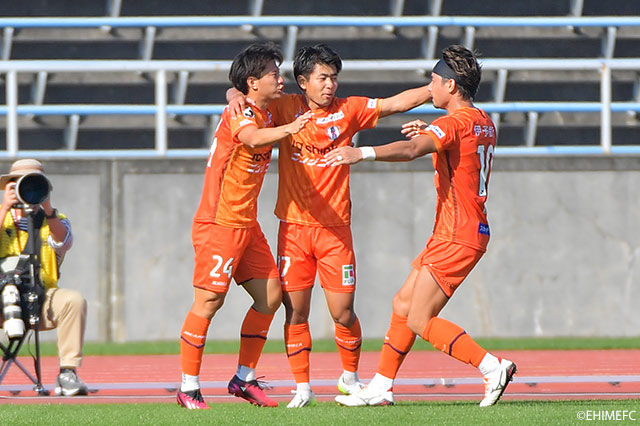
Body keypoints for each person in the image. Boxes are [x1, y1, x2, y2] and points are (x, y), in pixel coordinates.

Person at [229, 43, 431, 408]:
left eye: (334, 78)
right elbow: (248, 97)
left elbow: (395, 104)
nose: (330, 85)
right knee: (296, 311)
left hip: (336, 231)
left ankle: (350, 378)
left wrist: (434, 89)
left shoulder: (348, 109)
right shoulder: (284, 107)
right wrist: (232, 94)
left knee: (343, 312)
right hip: (293, 230)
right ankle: (302, 387)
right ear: (303, 81)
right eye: (322, 78)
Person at [324, 45, 516, 407]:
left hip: (457, 234)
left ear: (451, 85)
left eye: (434, 81)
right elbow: (461, 147)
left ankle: (492, 367)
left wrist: (361, 153)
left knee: (419, 319)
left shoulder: (452, 123)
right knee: (402, 303)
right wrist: (432, 132)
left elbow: (413, 150)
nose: (431, 88)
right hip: (457, 231)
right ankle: (382, 385)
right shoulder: (482, 120)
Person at [176, 42, 311, 410]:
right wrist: (291, 128)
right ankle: (188, 388)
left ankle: (243, 378)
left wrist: (233, 91)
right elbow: (250, 137)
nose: (280, 79)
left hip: (247, 224)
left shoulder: (262, 110)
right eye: (274, 74)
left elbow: (242, 102)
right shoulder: (242, 114)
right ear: (253, 82)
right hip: (219, 222)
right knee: (209, 301)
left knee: (270, 298)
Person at [0, 158, 88, 397]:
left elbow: (63, 242)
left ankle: (68, 373)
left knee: (73, 300)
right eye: (21, 184)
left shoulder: (55, 220)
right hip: (2, 296)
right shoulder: (1, 215)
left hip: (40, 296)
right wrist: (5, 207)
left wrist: (47, 210)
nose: (26, 190)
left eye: (33, 184)